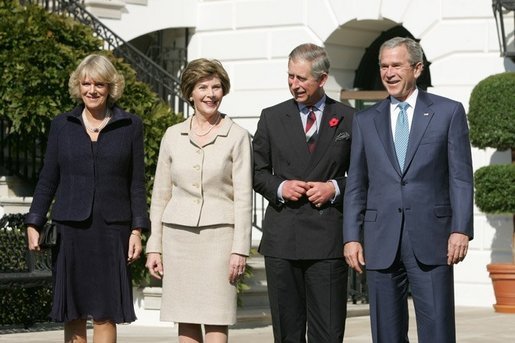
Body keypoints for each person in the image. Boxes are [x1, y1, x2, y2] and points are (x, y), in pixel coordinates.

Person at [343, 37, 474, 343]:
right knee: (386, 334)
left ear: (417, 68)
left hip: (433, 238)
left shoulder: (448, 112)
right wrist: (351, 237)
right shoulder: (365, 120)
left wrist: (461, 229)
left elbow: (461, 178)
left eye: (396, 65)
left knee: (438, 330)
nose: (388, 73)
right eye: (383, 66)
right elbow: (357, 184)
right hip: (380, 240)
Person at [25, 54, 149, 343]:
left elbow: (137, 182)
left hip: (112, 230)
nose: (92, 90)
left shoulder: (131, 125)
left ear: (111, 87)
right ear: (78, 87)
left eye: (99, 84)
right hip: (71, 228)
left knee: (106, 311)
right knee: (74, 310)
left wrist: (137, 229)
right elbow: (48, 177)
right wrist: (34, 221)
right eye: (86, 83)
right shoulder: (62, 125)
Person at [145, 58, 252, 343]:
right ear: (190, 92)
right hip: (177, 239)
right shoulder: (172, 136)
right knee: (186, 318)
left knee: (217, 317)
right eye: (203, 87)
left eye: (216, 87)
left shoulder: (237, 137)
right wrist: (154, 246)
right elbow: (160, 195)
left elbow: (243, 197)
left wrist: (240, 249)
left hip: (220, 240)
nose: (210, 94)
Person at [253, 43, 355, 343]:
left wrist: (334, 188)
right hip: (283, 240)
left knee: (328, 331)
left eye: (301, 78)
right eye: (290, 76)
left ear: (322, 79)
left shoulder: (349, 118)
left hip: (328, 242)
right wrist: (281, 187)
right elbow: (256, 172)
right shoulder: (271, 117)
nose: (294, 84)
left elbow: (367, 176)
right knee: (287, 332)